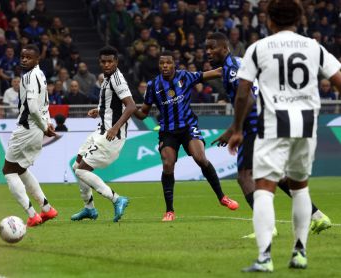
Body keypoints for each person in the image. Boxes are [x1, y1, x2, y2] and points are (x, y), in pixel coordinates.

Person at [227, 0, 341, 272]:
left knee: (265, 187)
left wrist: (238, 128)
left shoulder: (259, 48)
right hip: (307, 124)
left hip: (273, 124)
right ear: (299, 19)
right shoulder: (313, 46)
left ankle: (265, 258)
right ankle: (299, 253)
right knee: (299, 185)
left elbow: (243, 92)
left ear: (269, 21)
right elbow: (338, 80)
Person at [206, 32, 332, 238]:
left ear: (224, 47)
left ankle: (266, 228)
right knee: (276, 175)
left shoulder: (231, 69)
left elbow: (247, 100)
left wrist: (233, 130)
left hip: (254, 124)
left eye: (212, 47)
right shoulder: (238, 62)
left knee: (245, 176)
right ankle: (318, 216)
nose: (208, 52)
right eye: (207, 49)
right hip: (268, 120)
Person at [133, 51, 239, 222]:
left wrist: (237, 67)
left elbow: (217, 72)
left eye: (168, 63)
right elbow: (143, 113)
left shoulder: (186, 77)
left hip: (188, 126)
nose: (165, 66)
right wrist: (130, 109)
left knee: (200, 158)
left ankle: (222, 197)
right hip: (168, 131)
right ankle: (169, 211)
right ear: (159, 66)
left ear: (174, 64)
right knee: (168, 164)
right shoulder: (153, 85)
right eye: (162, 64)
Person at [70, 46, 136, 222]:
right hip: (100, 131)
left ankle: (117, 198)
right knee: (77, 167)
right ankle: (89, 209)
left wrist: (115, 128)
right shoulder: (107, 79)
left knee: (81, 171)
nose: (107, 64)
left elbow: (131, 106)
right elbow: (113, 104)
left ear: (116, 62)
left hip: (110, 136)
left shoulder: (116, 79)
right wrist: (99, 110)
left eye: (110, 61)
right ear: (100, 62)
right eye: (104, 61)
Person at [2, 44, 58, 227]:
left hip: (27, 129)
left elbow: (33, 108)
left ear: (37, 60)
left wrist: (43, 126)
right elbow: (45, 104)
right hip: (35, 129)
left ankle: (32, 215)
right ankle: (47, 208)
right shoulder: (40, 74)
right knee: (20, 169)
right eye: (22, 56)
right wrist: (47, 123)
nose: (24, 59)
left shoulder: (28, 77)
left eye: (28, 57)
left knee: (9, 171)